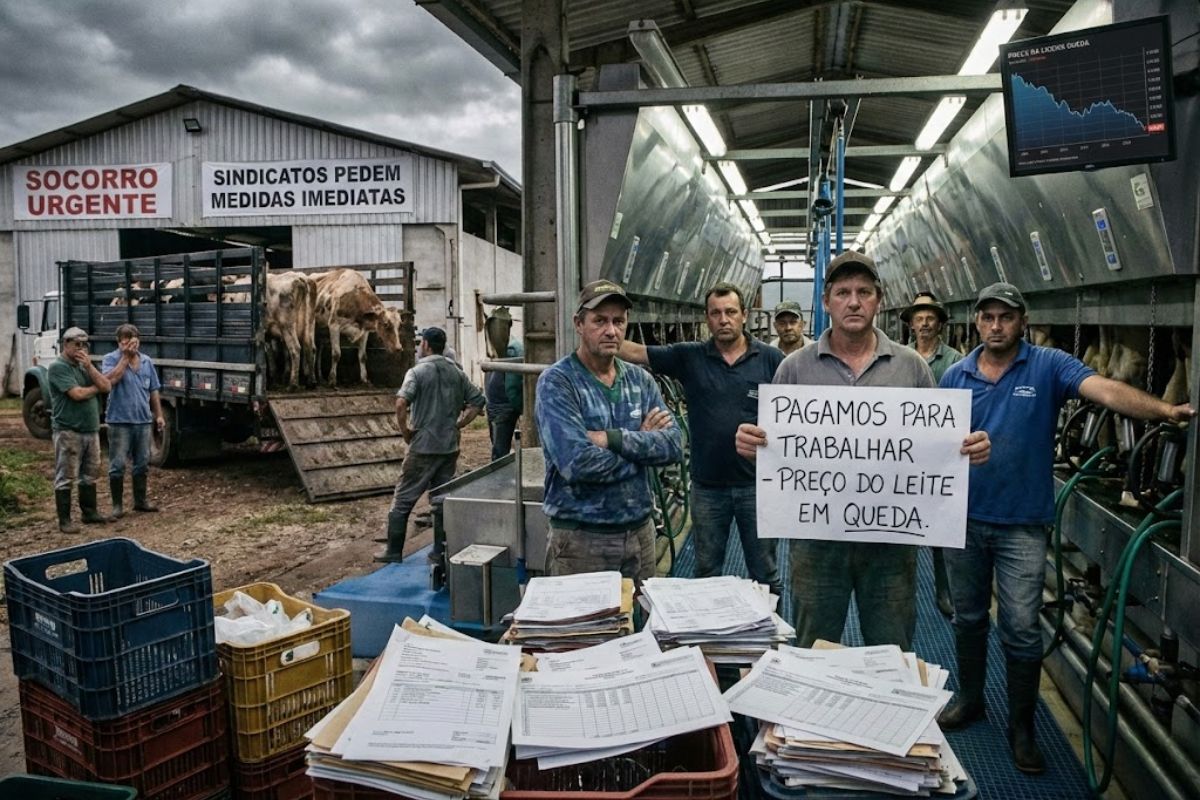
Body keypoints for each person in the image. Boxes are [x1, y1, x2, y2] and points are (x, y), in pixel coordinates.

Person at [938, 282, 1195, 774]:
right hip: (964, 519)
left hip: (1022, 525)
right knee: (968, 616)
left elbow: (1104, 388)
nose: (996, 326)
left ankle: (1022, 726)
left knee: (1019, 627)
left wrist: (1164, 410)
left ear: (1022, 321)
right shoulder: (955, 376)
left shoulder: (1048, 366)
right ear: (976, 322)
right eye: (988, 317)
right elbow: (932, 442)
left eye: (1006, 317)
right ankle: (971, 699)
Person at [734, 251, 990, 651]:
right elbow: (774, 446)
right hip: (816, 545)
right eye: (843, 292)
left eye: (864, 292)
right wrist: (753, 446)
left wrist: (966, 448)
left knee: (891, 648)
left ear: (879, 299)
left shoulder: (911, 368)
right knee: (812, 649)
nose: (853, 301)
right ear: (826, 301)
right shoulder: (795, 369)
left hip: (890, 549)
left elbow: (936, 444)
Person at [620, 282, 784, 597]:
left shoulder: (771, 359)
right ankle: (710, 640)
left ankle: (771, 640)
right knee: (707, 571)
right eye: (716, 313)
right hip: (708, 488)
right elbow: (636, 352)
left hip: (758, 486)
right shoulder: (689, 356)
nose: (724, 319)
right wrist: (606, 328)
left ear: (744, 315)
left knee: (765, 570)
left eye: (731, 312)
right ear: (707, 319)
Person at [535, 280, 683, 582]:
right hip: (581, 541)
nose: (611, 331)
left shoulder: (640, 381)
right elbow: (577, 463)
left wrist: (613, 439)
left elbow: (674, 444)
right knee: (584, 628)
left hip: (640, 535)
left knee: (639, 625)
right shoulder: (558, 382)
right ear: (579, 323)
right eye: (599, 321)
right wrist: (643, 446)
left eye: (618, 321)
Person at [377, 326, 485, 563]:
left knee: (403, 498)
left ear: (425, 344)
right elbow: (477, 401)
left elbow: (400, 403)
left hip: (423, 447)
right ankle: (439, 552)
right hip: (448, 447)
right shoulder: (457, 373)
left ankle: (393, 552)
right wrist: (459, 424)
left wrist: (406, 431)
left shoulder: (417, 372)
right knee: (441, 500)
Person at [901, 291, 963, 617]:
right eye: (919, 318)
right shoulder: (899, 358)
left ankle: (946, 592)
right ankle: (899, 591)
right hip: (903, 456)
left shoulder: (955, 361)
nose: (924, 324)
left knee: (941, 529)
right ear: (911, 324)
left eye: (930, 318)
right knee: (901, 524)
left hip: (940, 459)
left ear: (939, 324)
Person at [47, 327, 112, 533]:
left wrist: (90, 368)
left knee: (90, 472)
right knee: (66, 474)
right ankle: (64, 520)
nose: (81, 349)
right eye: (77, 344)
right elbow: (77, 394)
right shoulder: (58, 367)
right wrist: (95, 390)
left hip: (90, 428)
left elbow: (107, 386)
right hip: (68, 429)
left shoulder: (85, 367)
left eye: (84, 345)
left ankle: (89, 512)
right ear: (65, 344)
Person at [102, 324, 165, 518]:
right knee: (118, 464)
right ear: (118, 342)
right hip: (119, 421)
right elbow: (109, 381)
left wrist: (159, 415)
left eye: (134, 341)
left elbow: (153, 390)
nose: (131, 346)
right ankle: (117, 505)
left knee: (142, 463)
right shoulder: (110, 359)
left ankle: (140, 501)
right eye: (126, 342)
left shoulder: (146, 362)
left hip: (143, 421)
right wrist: (125, 358)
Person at [486, 338, 524, 461]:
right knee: (499, 447)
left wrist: (521, 408)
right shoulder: (506, 350)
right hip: (500, 405)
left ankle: (500, 477)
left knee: (499, 452)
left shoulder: (512, 349)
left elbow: (512, 386)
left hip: (503, 407)